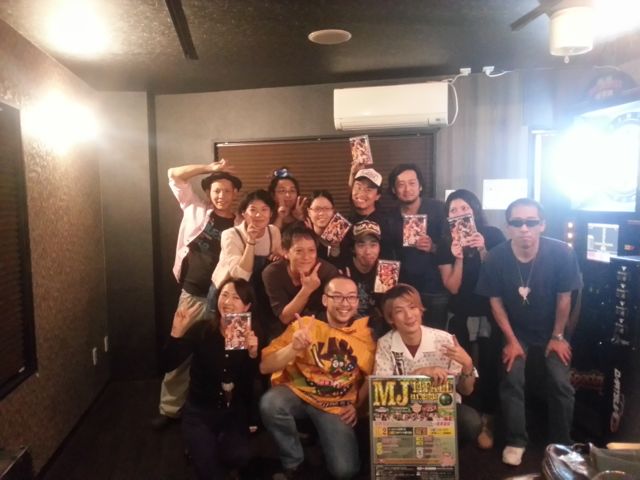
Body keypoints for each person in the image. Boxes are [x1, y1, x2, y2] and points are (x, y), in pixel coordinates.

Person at [475, 198, 582, 466]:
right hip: (516, 329)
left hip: (552, 329)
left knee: (560, 381)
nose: (524, 228)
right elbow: (495, 302)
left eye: (531, 222)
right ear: (508, 227)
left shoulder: (562, 253)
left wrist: (558, 336)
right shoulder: (495, 257)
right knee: (512, 377)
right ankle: (516, 440)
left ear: (542, 225)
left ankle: (562, 443)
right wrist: (511, 340)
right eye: (517, 222)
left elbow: (565, 299)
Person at [259, 276, 376, 479]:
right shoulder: (305, 325)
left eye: (351, 297)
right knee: (270, 403)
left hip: (336, 404)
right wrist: (293, 348)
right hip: (298, 393)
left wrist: (357, 405)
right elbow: (265, 366)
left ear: (357, 302)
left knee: (345, 471)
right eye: (337, 296)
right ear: (324, 300)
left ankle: (322, 444)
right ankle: (294, 463)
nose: (345, 303)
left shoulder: (365, 335)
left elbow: (371, 377)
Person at [155, 159, 242, 428]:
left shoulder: (242, 223)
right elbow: (174, 174)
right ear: (208, 192)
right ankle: (170, 408)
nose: (221, 195)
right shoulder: (195, 209)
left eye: (226, 191)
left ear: (235, 194)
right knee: (182, 351)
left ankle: (227, 407)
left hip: (228, 301)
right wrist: (210, 168)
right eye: (216, 190)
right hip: (193, 293)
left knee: (229, 353)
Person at [162, 278, 259, 479]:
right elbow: (168, 364)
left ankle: (208, 448)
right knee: (208, 468)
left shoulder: (248, 333)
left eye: (236, 297)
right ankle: (199, 448)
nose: (228, 302)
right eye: (224, 295)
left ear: (247, 306)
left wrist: (252, 355)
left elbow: (248, 384)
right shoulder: (203, 329)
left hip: (231, 412)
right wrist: (175, 333)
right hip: (199, 411)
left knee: (240, 456)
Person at [437, 189, 506, 449]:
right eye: (453, 210)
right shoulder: (445, 244)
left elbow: (502, 277)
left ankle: (489, 419)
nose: (459, 214)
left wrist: (483, 249)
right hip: (460, 312)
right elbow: (452, 287)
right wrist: (458, 258)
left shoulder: (493, 235)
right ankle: (465, 418)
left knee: (489, 365)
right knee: (460, 367)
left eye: (464, 208)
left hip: (490, 312)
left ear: (475, 210)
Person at [374, 284, 482, 445]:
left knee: (470, 422)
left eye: (413, 307)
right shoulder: (385, 343)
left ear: (420, 309)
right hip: (403, 410)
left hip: (442, 407)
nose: (409, 315)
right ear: (391, 318)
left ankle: (445, 453)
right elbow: (381, 394)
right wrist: (420, 373)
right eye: (399, 311)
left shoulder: (444, 340)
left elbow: (466, 390)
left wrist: (467, 364)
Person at [387, 163, 448, 330]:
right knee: (408, 334)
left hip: (435, 289)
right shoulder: (390, 217)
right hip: (405, 290)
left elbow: (453, 248)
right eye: (401, 184)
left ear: (420, 186)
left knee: (436, 337)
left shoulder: (438, 209)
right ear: (394, 189)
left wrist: (433, 247)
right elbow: (389, 254)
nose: (407, 189)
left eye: (412, 183)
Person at [262, 223, 339, 327]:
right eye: (299, 251)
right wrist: (307, 289)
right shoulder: (272, 273)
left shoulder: (328, 272)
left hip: (320, 326)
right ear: (285, 252)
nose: (306, 257)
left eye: (311, 250)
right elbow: (285, 318)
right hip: (284, 328)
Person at [339, 220, 386, 338]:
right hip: (346, 328)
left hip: (377, 330)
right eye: (361, 245)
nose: (368, 251)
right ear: (353, 248)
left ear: (379, 247)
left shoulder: (386, 271)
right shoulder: (342, 269)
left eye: (373, 245)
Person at [305, 190, 344, 266]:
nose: (322, 213)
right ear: (309, 212)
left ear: (333, 211)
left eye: (326, 209)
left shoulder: (344, 235)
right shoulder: (304, 237)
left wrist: (335, 248)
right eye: (317, 209)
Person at [268, 167, 305, 232]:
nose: (288, 195)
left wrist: (300, 219)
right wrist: (280, 217)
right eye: (282, 191)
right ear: (273, 195)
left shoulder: (306, 214)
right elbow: (270, 237)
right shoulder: (266, 215)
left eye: (292, 190)